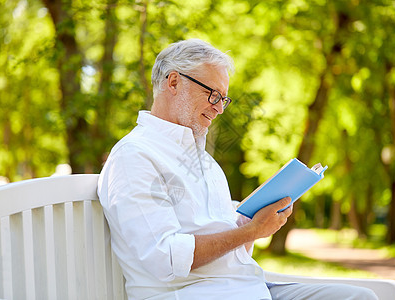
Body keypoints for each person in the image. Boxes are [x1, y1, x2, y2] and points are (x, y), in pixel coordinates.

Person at [97, 39, 378, 300]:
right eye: (213, 95)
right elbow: (164, 257)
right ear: (173, 82)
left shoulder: (204, 161)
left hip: (247, 287)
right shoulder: (135, 156)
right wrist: (252, 231)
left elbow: (229, 242)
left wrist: (249, 220)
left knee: (361, 297)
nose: (219, 109)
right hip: (198, 294)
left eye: (223, 99)